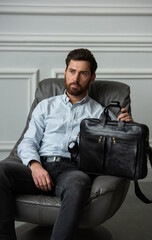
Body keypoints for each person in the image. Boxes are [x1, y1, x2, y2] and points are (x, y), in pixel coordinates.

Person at [0, 48, 133, 240]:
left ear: (92, 77)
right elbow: (28, 141)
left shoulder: (101, 113)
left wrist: (126, 127)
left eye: (83, 73)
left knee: (78, 184)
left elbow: (119, 148)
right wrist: (35, 165)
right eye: (72, 71)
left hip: (72, 171)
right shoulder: (45, 106)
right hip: (40, 167)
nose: (76, 78)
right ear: (65, 72)